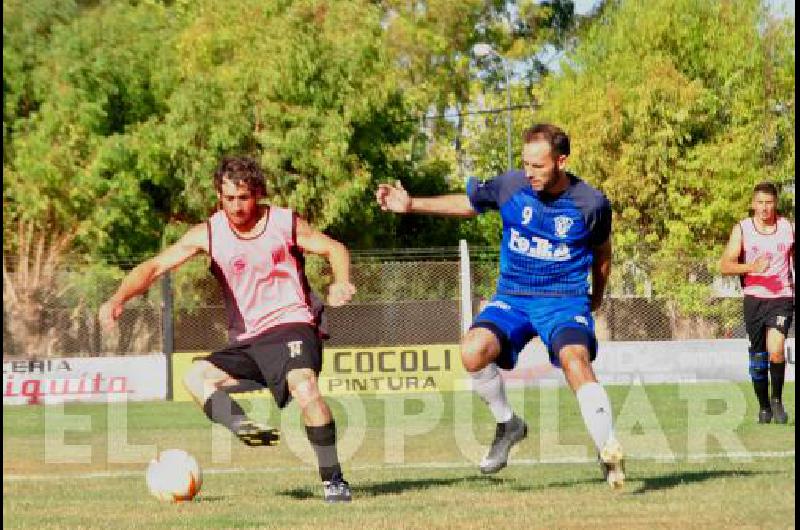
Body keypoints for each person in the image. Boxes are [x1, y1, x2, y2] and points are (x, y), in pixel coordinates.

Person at [376, 123, 624, 489]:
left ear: (562, 161)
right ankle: (509, 424)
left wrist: (597, 295)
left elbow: (602, 254)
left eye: (538, 166)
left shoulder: (591, 203)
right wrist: (412, 204)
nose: (530, 172)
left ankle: (609, 453)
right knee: (472, 351)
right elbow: (470, 203)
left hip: (563, 300)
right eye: (526, 164)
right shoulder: (511, 186)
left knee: (575, 360)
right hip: (513, 298)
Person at [99, 156, 356, 502]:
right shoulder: (208, 233)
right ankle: (242, 426)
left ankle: (333, 480)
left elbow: (333, 248)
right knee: (195, 378)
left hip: (291, 324)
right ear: (219, 196)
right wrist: (118, 298)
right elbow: (155, 266)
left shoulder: (283, 222)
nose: (237, 206)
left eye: (244, 197)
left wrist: (341, 281)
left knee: (304, 386)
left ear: (258, 194)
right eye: (229, 198)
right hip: (248, 340)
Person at [720, 182, 794, 424]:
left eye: (769, 203)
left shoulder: (787, 228)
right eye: (760, 203)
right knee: (759, 356)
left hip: (782, 297)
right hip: (754, 298)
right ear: (753, 204)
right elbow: (724, 265)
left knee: (776, 349)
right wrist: (752, 267)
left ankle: (777, 401)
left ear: (775, 204)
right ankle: (763, 406)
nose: (764, 208)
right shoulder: (742, 229)